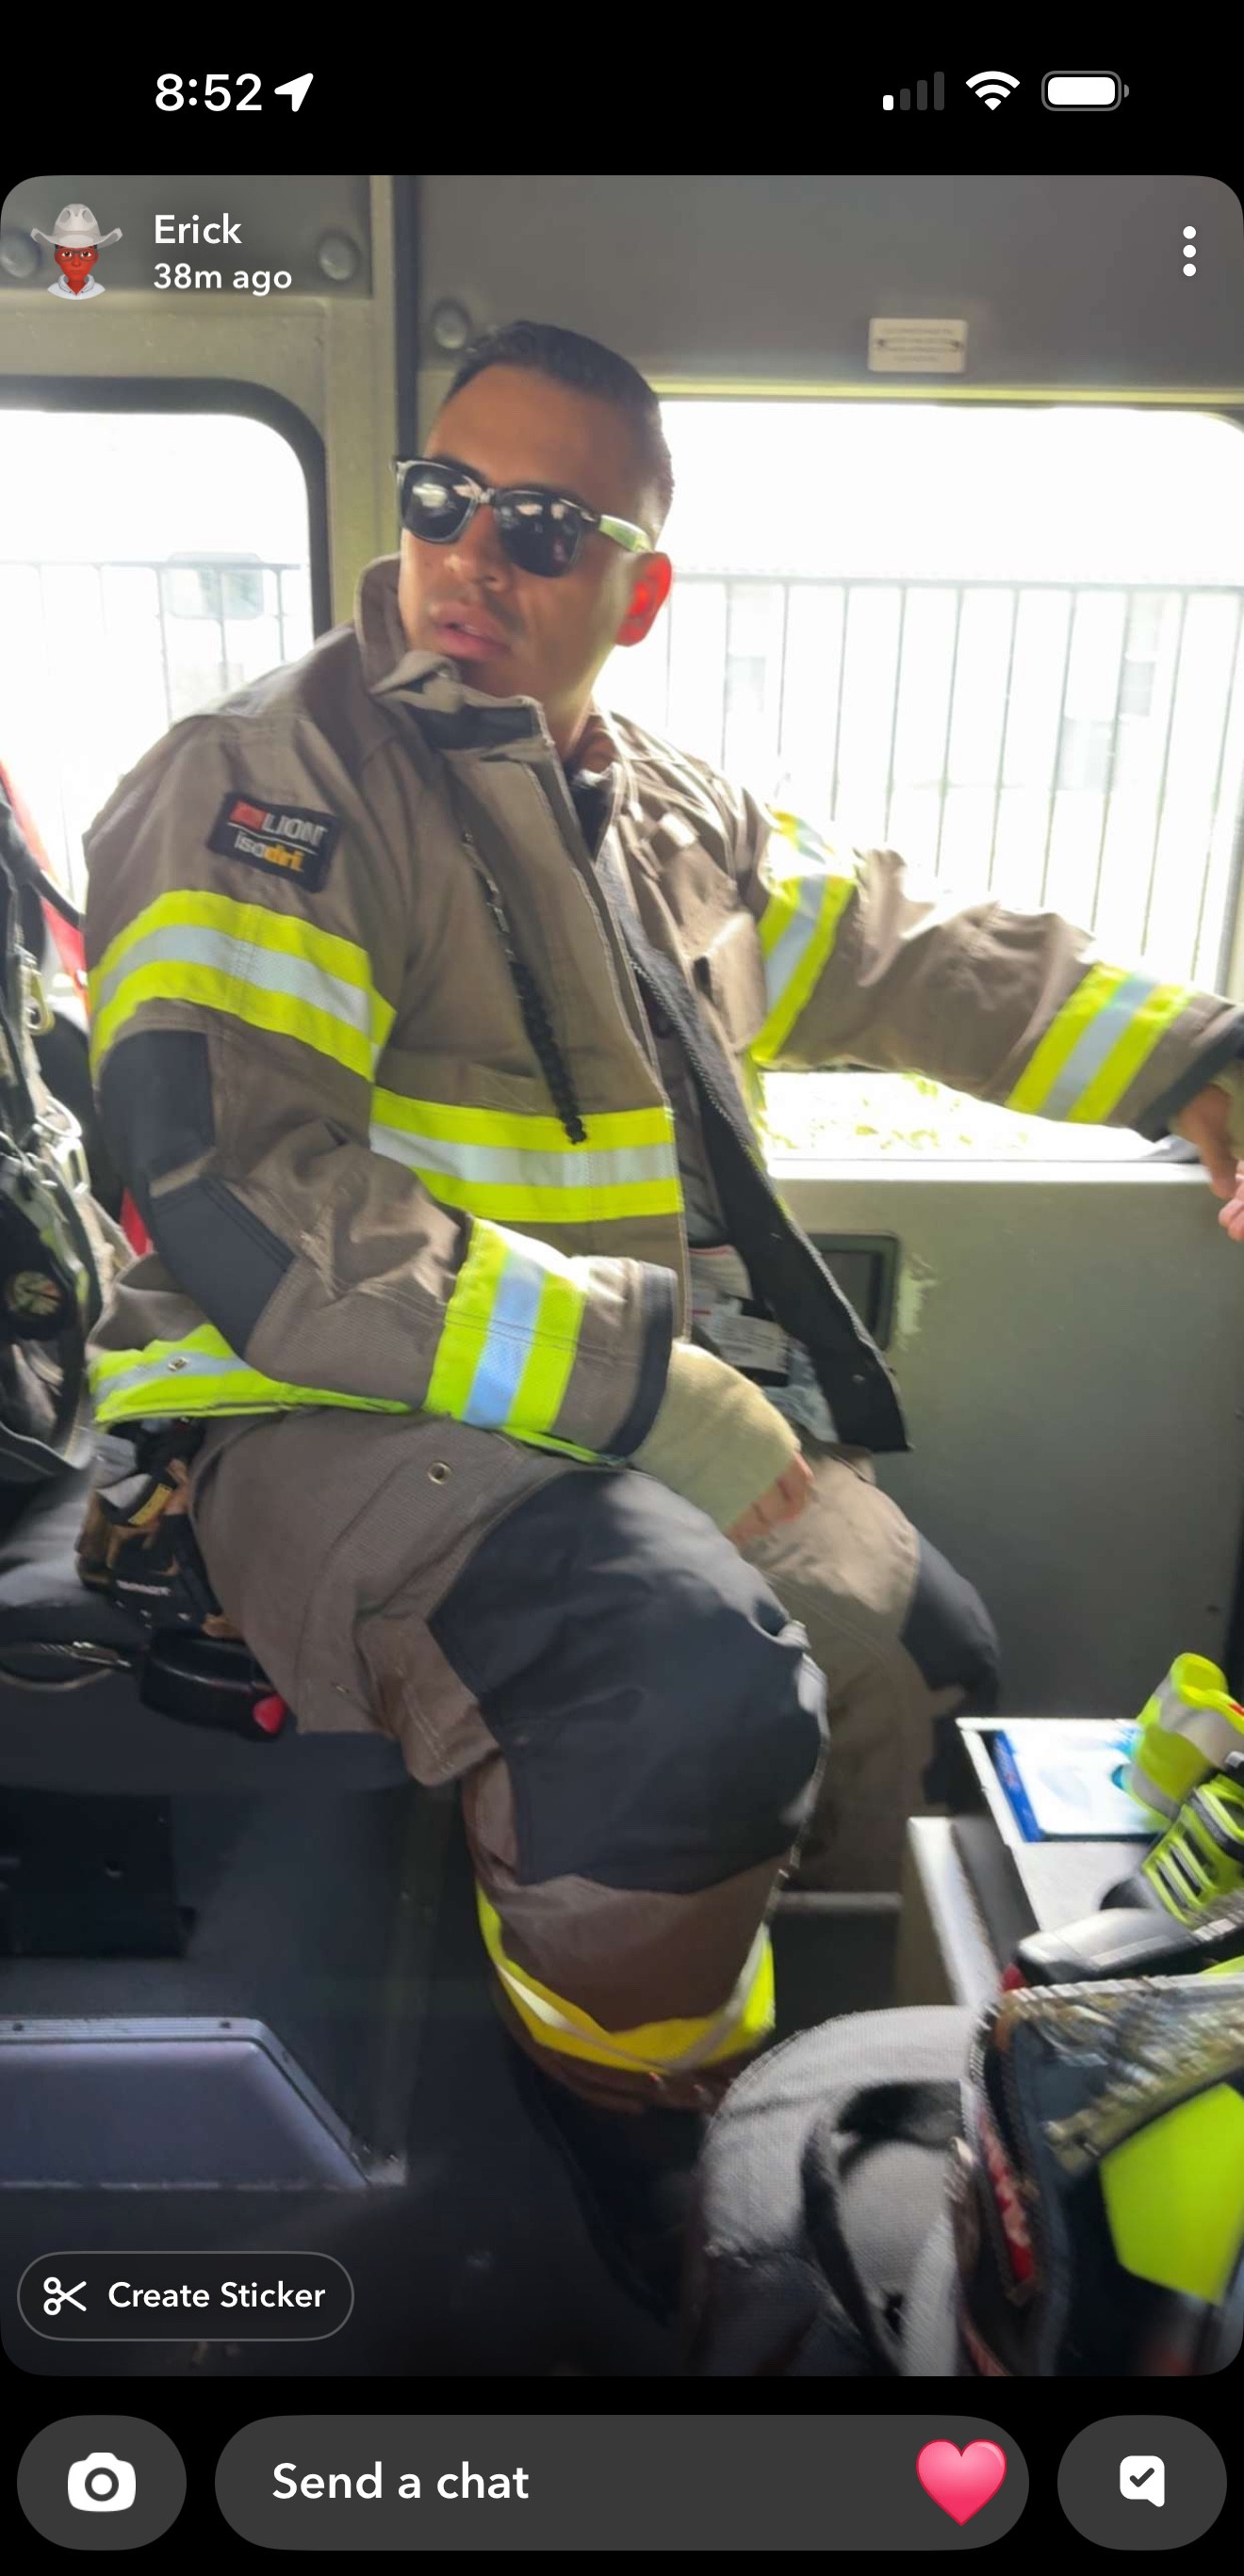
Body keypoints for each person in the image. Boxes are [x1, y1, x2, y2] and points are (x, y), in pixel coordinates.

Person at [80, 321, 1244, 2320]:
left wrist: (1200, 1060)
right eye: (444, 500)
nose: (472, 555)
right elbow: (244, 1196)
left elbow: (919, 958)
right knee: (683, 1685)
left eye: (543, 526)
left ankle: (814, 2085)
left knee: (925, 1662)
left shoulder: (664, 810)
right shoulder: (270, 784)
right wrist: (684, 1408)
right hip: (299, 1404)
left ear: (641, 585)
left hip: (568, 1396)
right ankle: (647, 2169)